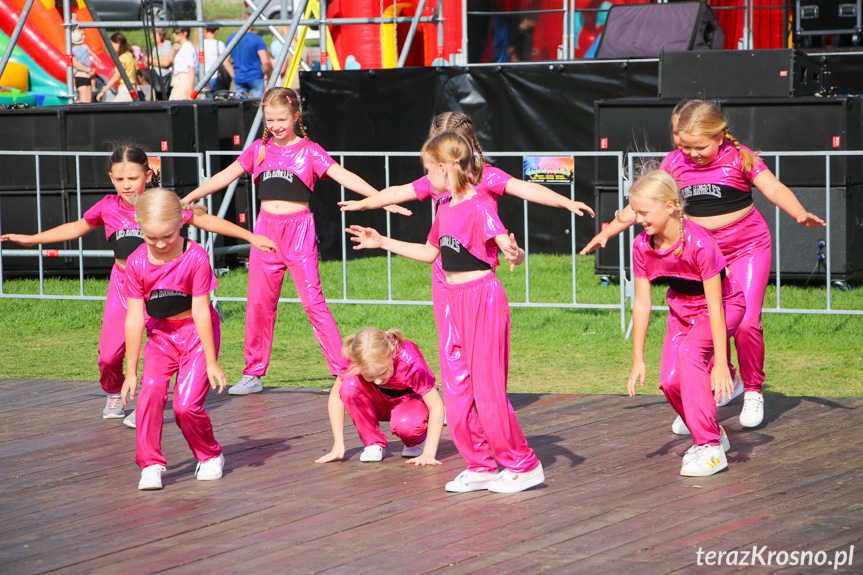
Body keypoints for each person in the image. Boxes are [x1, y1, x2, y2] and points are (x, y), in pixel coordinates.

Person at [581, 100, 826, 429]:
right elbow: (646, 203)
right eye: (687, 146)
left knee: (746, 321)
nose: (693, 153)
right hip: (702, 252)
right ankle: (711, 391)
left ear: (721, 135)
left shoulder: (739, 157)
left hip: (746, 247)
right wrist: (608, 232)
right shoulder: (675, 161)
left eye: (701, 147)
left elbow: (773, 187)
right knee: (706, 323)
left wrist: (798, 213)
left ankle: (753, 389)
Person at [1, 145, 276, 425]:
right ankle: (113, 390)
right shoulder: (108, 206)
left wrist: (251, 237)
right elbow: (76, 227)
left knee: (159, 348)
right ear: (111, 178)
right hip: (123, 285)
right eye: (120, 180)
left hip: (158, 286)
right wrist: (32, 239)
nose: (126, 185)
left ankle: (148, 400)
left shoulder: (161, 204)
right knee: (109, 354)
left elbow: (206, 220)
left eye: (133, 178)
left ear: (148, 174)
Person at [346, 130, 545, 494]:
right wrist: (382, 241)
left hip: (483, 299)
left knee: (487, 390)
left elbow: (506, 245)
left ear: (442, 168)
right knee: (455, 388)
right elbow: (429, 253)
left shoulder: (480, 206)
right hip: (453, 300)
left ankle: (523, 464)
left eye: (427, 169)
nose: (426, 177)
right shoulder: (444, 208)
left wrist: (515, 254)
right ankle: (480, 464)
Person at [182, 87, 408, 396]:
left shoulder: (310, 151)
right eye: (270, 120)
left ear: (295, 117)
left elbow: (344, 176)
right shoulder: (258, 151)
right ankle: (253, 372)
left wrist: (382, 199)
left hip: (299, 231)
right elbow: (225, 175)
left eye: (282, 119)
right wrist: (191, 196)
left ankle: (343, 371)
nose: (276, 126)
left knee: (313, 302)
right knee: (259, 303)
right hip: (265, 231)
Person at [340, 111, 594, 357]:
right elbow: (396, 192)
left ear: (468, 145)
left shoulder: (486, 177)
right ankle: (459, 397)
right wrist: (364, 203)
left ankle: (481, 391)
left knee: (480, 345)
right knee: (450, 342)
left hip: (479, 273)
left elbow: (525, 188)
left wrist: (566, 202)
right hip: (444, 272)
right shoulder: (436, 180)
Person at [626, 170, 746, 476]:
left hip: (722, 306)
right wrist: (638, 358)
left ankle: (710, 448)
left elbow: (716, 306)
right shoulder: (642, 246)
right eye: (635, 212)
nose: (639, 219)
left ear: (669, 206)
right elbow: (642, 302)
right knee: (670, 382)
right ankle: (714, 433)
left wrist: (721, 362)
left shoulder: (699, 242)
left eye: (644, 212)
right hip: (682, 310)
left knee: (692, 353)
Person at [121, 188, 227, 491]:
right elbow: (134, 317)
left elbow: (201, 310)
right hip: (161, 336)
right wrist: (130, 371)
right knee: (151, 391)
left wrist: (211, 361)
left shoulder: (195, 257)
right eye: (151, 238)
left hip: (195, 332)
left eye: (166, 236)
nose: (160, 244)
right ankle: (150, 463)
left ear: (181, 223)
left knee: (185, 406)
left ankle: (209, 455)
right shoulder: (137, 262)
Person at [315, 327, 445, 465]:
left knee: (406, 425)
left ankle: (417, 441)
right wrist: (338, 443)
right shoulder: (358, 358)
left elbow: (436, 407)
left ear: (392, 352)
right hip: (379, 400)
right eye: (370, 376)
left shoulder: (410, 362)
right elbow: (336, 397)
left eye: (382, 373)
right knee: (348, 385)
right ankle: (373, 442)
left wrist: (429, 453)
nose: (377, 380)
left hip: (410, 401)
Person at [226, 8, 271, 98]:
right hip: (255, 76)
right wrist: (268, 74)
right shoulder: (257, 38)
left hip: (239, 77)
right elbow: (265, 61)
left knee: (239, 106)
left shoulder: (232, 38)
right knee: (257, 105)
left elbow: (225, 61)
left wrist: (234, 75)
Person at [96, 32, 136, 102]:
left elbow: (117, 76)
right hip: (133, 88)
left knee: (113, 110)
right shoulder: (130, 55)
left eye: (112, 44)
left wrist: (103, 91)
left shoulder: (123, 58)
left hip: (125, 89)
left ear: (118, 43)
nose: (111, 47)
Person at [203, 26, 233, 97]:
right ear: (216, 31)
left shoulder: (200, 45)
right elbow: (226, 61)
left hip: (205, 78)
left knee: (209, 101)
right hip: (218, 77)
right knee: (222, 100)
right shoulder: (219, 44)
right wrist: (233, 75)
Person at [168, 27, 195, 100]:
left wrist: (190, 88)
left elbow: (191, 68)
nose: (174, 34)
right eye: (173, 32)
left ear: (185, 33)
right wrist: (173, 50)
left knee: (173, 103)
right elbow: (170, 60)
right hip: (179, 79)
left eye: (176, 32)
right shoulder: (182, 48)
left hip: (184, 79)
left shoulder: (187, 47)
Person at [71, 30, 95, 103]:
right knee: (85, 103)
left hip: (81, 76)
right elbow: (75, 63)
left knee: (83, 102)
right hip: (84, 77)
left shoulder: (73, 50)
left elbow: (75, 63)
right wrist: (89, 70)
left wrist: (89, 70)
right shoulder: (82, 48)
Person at [148, 28, 173, 100]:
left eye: (153, 33)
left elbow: (165, 62)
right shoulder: (157, 46)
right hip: (155, 79)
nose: (151, 36)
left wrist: (150, 60)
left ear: (160, 34)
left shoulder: (166, 45)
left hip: (162, 79)